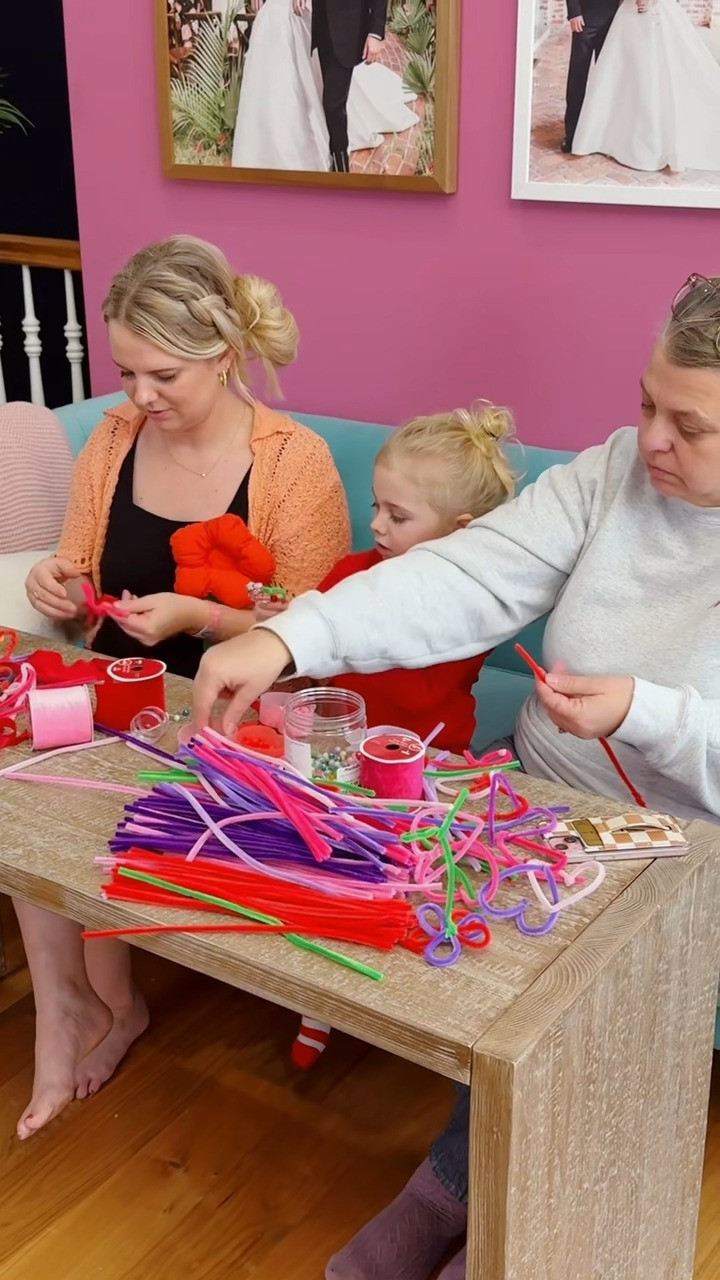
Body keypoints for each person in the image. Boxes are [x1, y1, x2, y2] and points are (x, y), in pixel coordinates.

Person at [192, 272, 720, 1279]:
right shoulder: (621, 468)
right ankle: (455, 1186)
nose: (650, 438)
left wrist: (649, 711)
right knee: (492, 995)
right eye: (646, 402)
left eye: (688, 425)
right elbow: (474, 573)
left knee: (588, 998)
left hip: (691, 848)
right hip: (541, 804)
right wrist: (291, 637)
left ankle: (508, 1210)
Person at [15, 234, 350, 1142]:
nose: (135, 398)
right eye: (126, 372)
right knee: (22, 796)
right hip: (119, 702)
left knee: (70, 801)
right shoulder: (116, 442)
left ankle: (111, 1007)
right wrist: (57, 578)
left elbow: (312, 642)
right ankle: (68, 1017)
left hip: (238, 727)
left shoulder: (295, 463)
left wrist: (195, 622)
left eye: (161, 375)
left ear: (225, 354)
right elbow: (79, 572)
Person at [258, 403, 515, 1068]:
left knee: (414, 887)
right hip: (341, 763)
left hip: (429, 772)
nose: (375, 525)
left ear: (460, 533)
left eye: (398, 516)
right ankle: (320, 999)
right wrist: (286, 626)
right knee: (329, 878)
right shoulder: (352, 575)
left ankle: (408, 1007)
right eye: (377, 506)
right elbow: (315, 655)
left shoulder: (473, 601)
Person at [232, 0, 416, 173]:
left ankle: (342, 171)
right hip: (321, 26)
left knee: (333, 104)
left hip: (348, 28)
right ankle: (337, 161)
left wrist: (375, 34)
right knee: (325, 100)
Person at [572, 0, 720, 172]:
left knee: (655, 71)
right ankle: (611, 135)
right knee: (623, 70)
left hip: (657, 12)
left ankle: (650, 143)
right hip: (627, 13)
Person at [562, 0, 620, 153]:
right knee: (577, 77)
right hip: (585, 18)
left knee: (606, 80)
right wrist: (574, 12)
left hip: (614, 19)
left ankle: (600, 135)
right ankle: (572, 135)